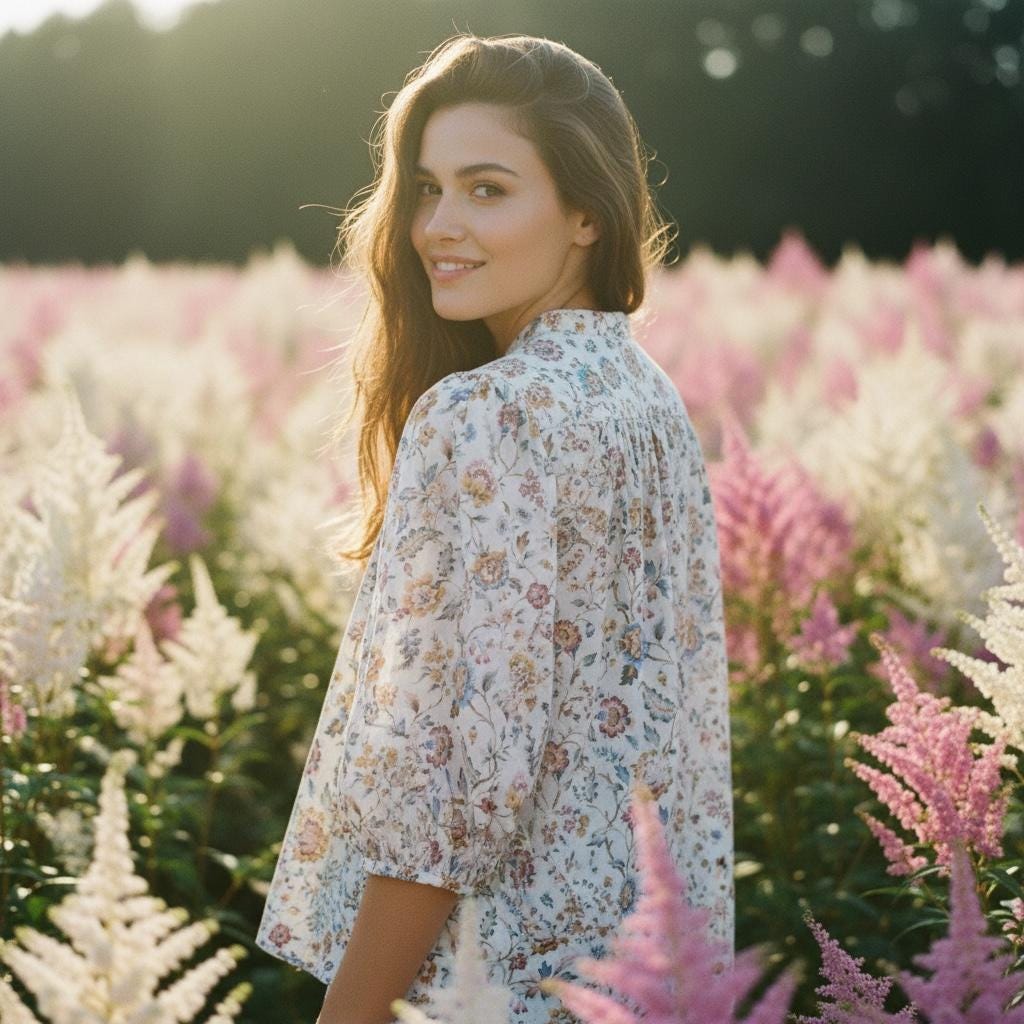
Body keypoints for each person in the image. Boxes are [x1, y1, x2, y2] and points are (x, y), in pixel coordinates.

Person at [255, 31, 734, 1024]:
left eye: (486, 188)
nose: (436, 226)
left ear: (585, 217)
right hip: (639, 986)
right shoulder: (645, 400)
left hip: (494, 990)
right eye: (427, 188)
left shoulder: (485, 418)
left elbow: (450, 800)